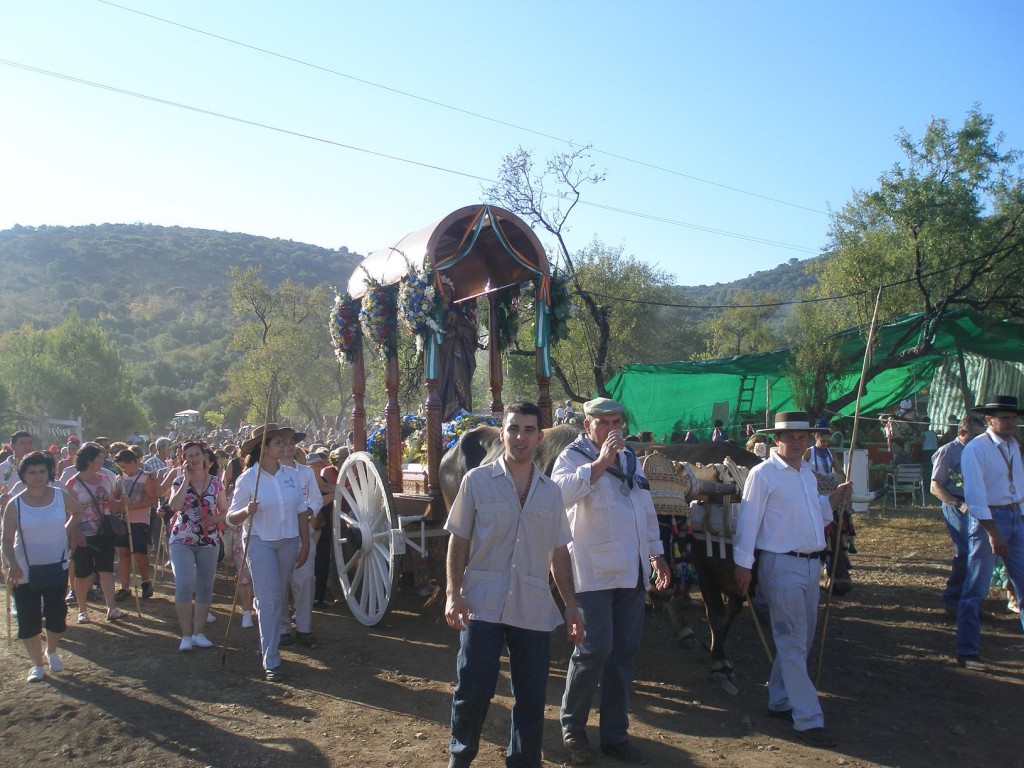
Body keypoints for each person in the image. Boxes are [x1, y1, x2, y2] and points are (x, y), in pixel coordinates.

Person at [445, 401, 584, 768]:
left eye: (528, 430)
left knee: (531, 698)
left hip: (533, 607)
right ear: (502, 433)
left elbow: (559, 553)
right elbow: (458, 540)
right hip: (482, 603)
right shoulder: (476, 482)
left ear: (540, 438)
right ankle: (460, 758)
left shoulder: (551, 493)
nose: (520, 437)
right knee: (473, 691)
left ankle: (523, 762)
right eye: (514, 429)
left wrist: (570, 604)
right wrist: (452, 593)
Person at [552, 397, 670, 765]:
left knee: (623, 655)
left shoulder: (632, 460)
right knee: (594, 650)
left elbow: (645, 508)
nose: (613, 429)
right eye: (604, 423)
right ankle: (573, 728)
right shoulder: (572, 457)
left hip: (631, 571)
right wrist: (600, 463)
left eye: (617, 421)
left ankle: (615, 735)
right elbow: (558, 494)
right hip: (593, 570)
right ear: (587, 425)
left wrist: (656, 552)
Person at [733, 411, 851, 749]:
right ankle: (808, 718)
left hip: (811, 564)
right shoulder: (763, 474)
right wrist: (743, 564)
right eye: (791, 437)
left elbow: (812, 512)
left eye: (802, 437)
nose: (797, 442)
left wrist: (834, 499)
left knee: (803, 637)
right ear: (777, 440)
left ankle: (780, 700)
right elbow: (748, 520)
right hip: (780, 564)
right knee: (792, 640)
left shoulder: (807, 475)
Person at [227, 424, 310, 682]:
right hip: (259, 540)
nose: (285, 447)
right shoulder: (248, 479)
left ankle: (271, 640)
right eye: (278, 443)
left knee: (278, 595)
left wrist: (305, 543)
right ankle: (271, 659)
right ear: (263, 448)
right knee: (270, 599)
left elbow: (301, 510)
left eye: (285, 443)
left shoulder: (291, 476)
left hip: (288, 540)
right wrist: (246, 512)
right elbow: (231, 517)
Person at [2, 452, 85, 682]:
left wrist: (68, 528)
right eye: (32, 472)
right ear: (23, 476)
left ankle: (52, 651)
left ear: (49, 473)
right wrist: (11, 565)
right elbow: (7, 539)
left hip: (57, 563)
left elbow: (78, 512)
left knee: (56, 613)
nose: (38, 476)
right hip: (25, 568)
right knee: (29, 617)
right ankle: (37, 664)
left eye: (42, 471)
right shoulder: (15, 504)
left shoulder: (60, 496)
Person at [955, 395, 1024, 671]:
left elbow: (1017, 484)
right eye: (1005, 418)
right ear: (989, 420)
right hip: (988, 519)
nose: (1011, 423)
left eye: (1013, 418)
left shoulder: (1013, 446)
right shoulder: (976, 449)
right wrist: (993, 532)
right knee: (976, 588)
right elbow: (974, 495)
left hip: (1015, 515)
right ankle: (967, 652)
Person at [167, 441, 228, 652]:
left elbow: (225, 511)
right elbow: (174, 506)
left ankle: (198, 633)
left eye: (196, 455)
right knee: (184, 583)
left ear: (203, 457)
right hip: (182, 539)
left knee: (205, 586)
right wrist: (185, 480)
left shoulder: (216, 483)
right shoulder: (178, 481)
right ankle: (185, 635)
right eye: (188, 456)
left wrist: (215, 518)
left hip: (209, 540)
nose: (193, 459)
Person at [929, 415, 987, 618]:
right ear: (962, 433)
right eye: (976, 435)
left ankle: (971, 601)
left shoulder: (980, 451)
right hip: (957, 505)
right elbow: (935, 486)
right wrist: (958, 503)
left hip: (979, 505)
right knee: (964, 551)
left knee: (979, 553)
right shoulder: (948, 452)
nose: (981, 439)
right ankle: (952, 599)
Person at [66, 442, 124, 623]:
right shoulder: (72, 483)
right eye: (100, 458)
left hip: (104, 531)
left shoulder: (105, 479)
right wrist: (74, 533)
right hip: (83, 535)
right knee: (83, 574)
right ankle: (82, 609)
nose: (103, 461)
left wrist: (123, 501)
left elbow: (112, 503)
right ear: (89, 460)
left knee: (106, 569)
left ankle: (112, 608)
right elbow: (67, 512)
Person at [278, 432, 322, 649]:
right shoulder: (268, 473)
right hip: (277, 534)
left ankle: (304, 628)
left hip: (303, 532)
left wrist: (307, 512)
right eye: (283, 443)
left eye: (291, 443)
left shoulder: (305, 473)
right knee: (280, 583)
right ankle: (283, 628)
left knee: (305, 580)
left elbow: (316, 498)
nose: (288, 447)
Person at [112, 449, 159, 601]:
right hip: (123, 520)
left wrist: (131, 506)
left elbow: (153, 500)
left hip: (139, 519)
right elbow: (115, 496)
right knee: (123, 552)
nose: (122, 469)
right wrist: (117, 502)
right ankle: (125, 587)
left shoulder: (145, 478)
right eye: (120, 467)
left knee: (139, 552)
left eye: (124, 466)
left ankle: (145, 582)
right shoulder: (119, 478)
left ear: (133, 462)